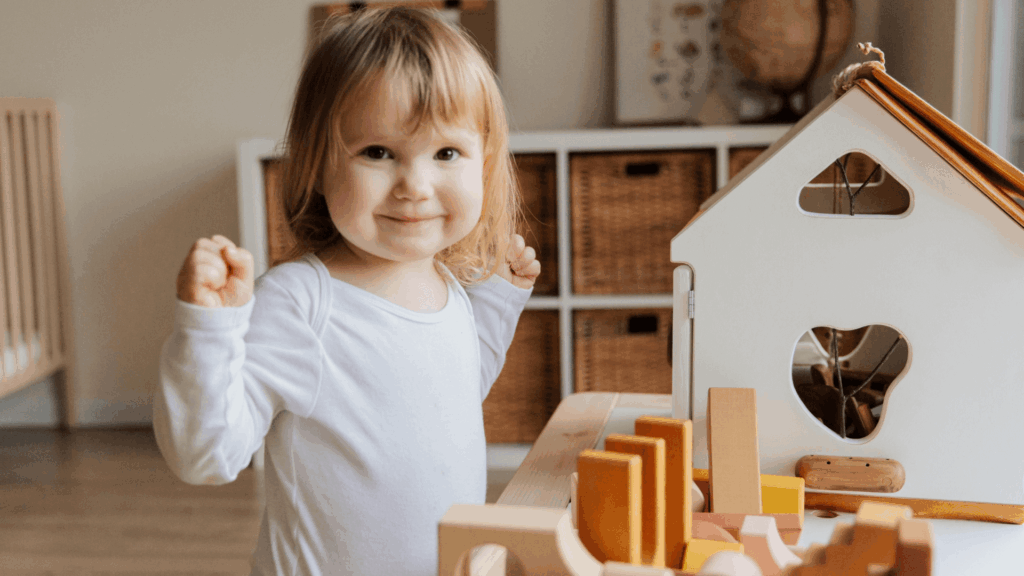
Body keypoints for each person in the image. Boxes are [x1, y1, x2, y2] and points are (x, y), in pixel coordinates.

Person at [153, 7, 540, 575]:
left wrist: (497, 301)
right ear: (318, 164)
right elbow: (206, 454)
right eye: (378, 152)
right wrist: (210, 332)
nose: (416, 185)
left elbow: (452, 394)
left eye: (446, 154)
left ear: (483, 164)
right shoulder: (302, 304)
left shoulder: (448, 286)